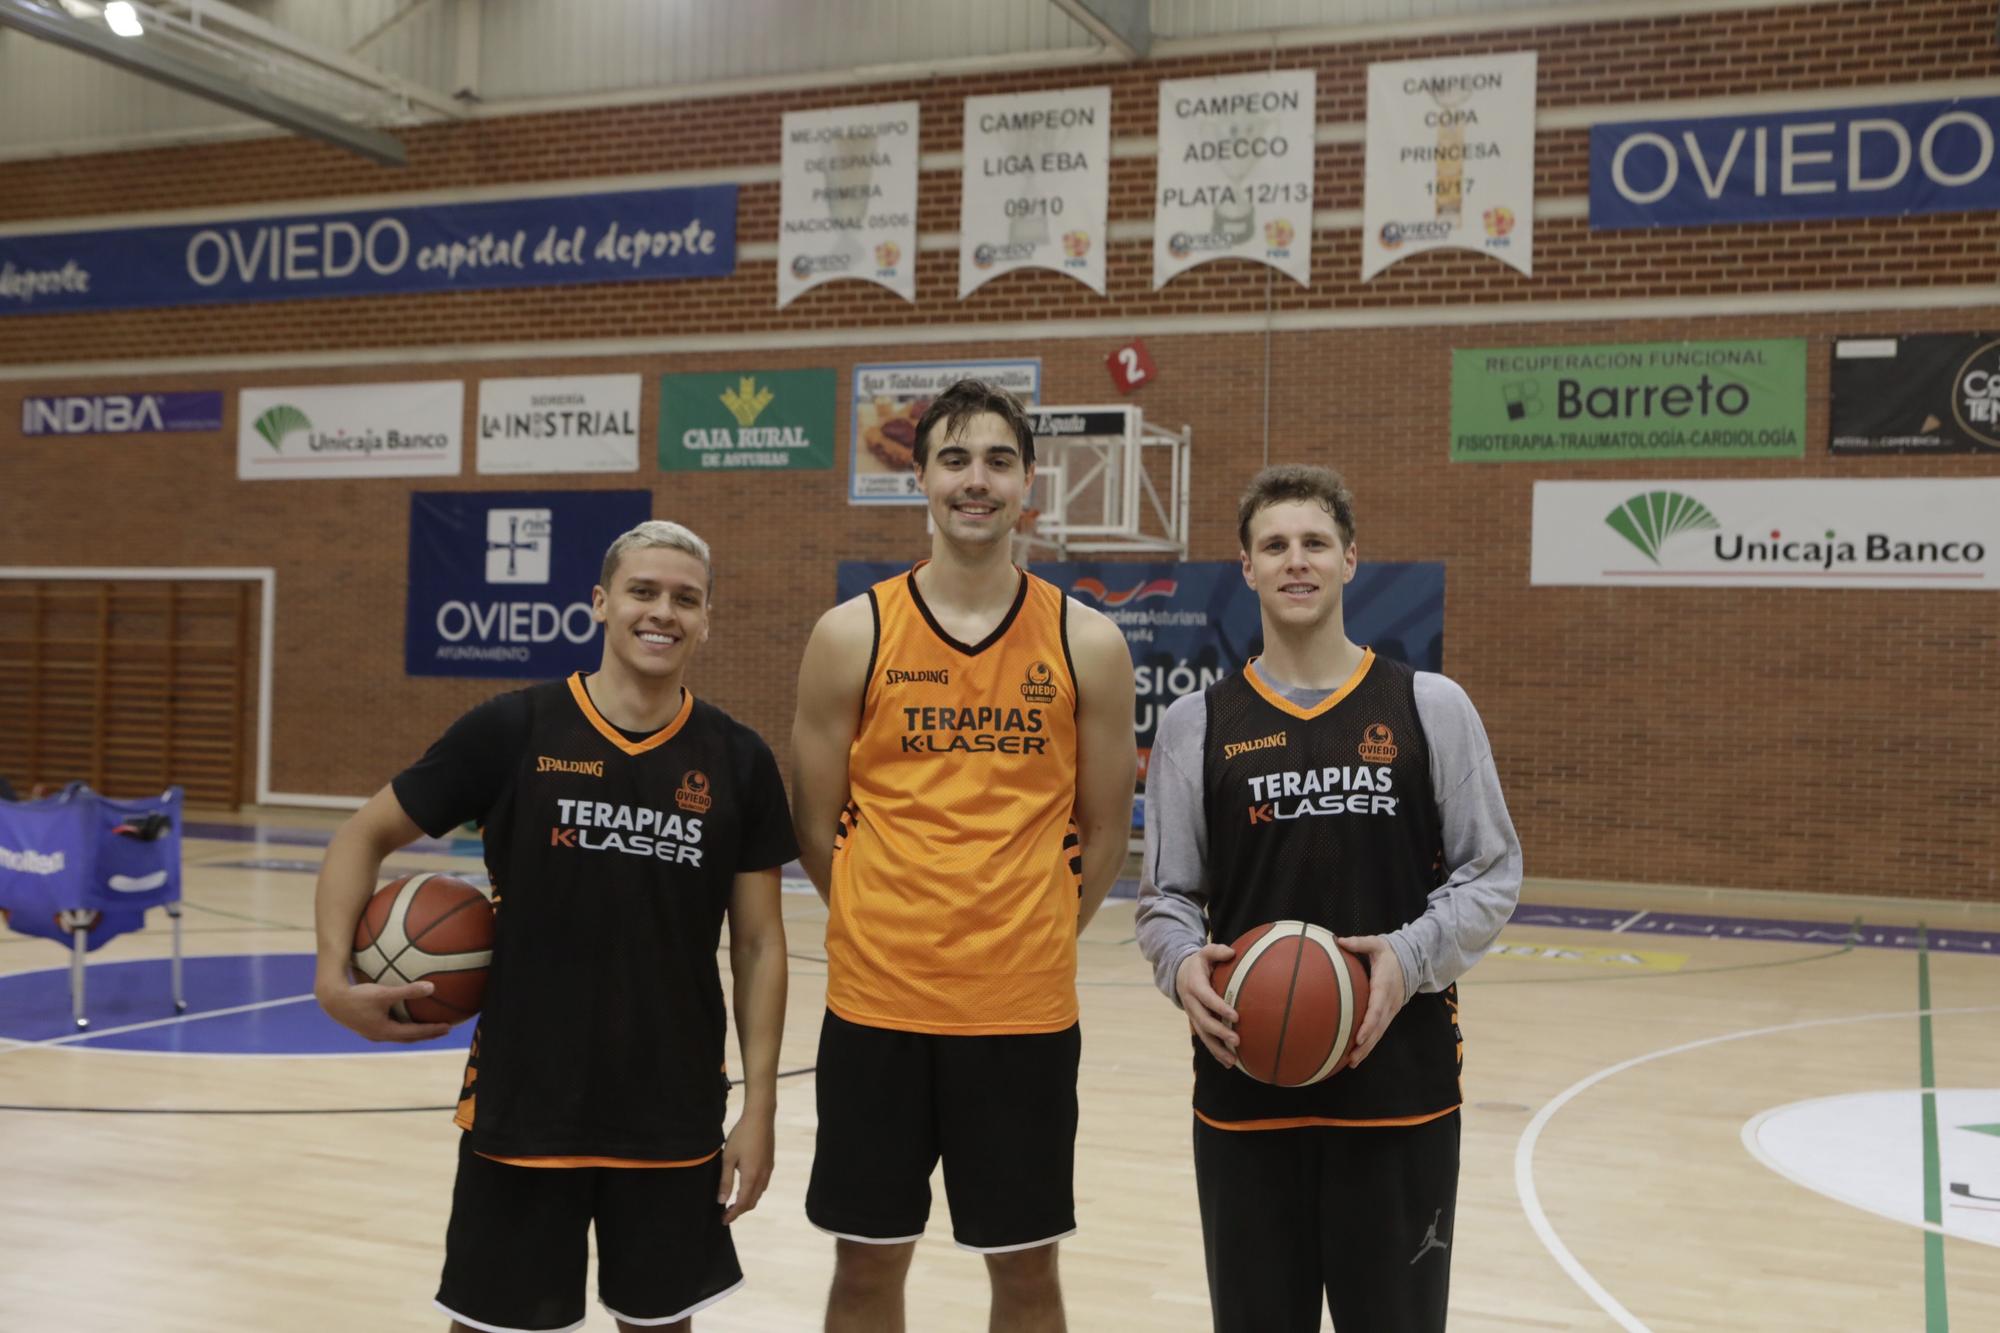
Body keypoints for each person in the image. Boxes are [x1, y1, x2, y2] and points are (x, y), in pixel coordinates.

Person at [313, 519, 794, 1333]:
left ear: (708, 618)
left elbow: (758, 943)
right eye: (643, 591)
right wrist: (333, 975)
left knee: (659, 1324)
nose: (663, 612)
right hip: (525, 1096)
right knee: (493, 1325)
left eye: (686, 598)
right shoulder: (515, 729)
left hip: (671, 1103)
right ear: (601, 603)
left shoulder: (738, 758)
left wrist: (760, 1108)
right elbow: (364, 832)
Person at [1134, 465, 1521, 1333]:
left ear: (1351, 559)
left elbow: (1491, 872)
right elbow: (1166, 897)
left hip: (1401, 1096)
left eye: (1315, 543)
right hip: (1244, 1092)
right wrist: (1181, 963)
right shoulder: (1197, 724)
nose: (1295, 561)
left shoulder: (1431, 707)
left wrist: (1412, 954)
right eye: (1275, 545)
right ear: (1246, 566)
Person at [790, 378, 1136, 1333]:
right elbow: (816, 822)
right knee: (864, 1272)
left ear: (1030, 481)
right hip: (876, 1007)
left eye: (996, 461)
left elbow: (1107, 830)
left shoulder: (1088, 641)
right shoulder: (850, 632)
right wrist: (874, 913)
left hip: (1021, 1013)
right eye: (954, 460)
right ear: (921, 479)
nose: (975, 481)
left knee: (1026, 1278)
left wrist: (1030, 928)